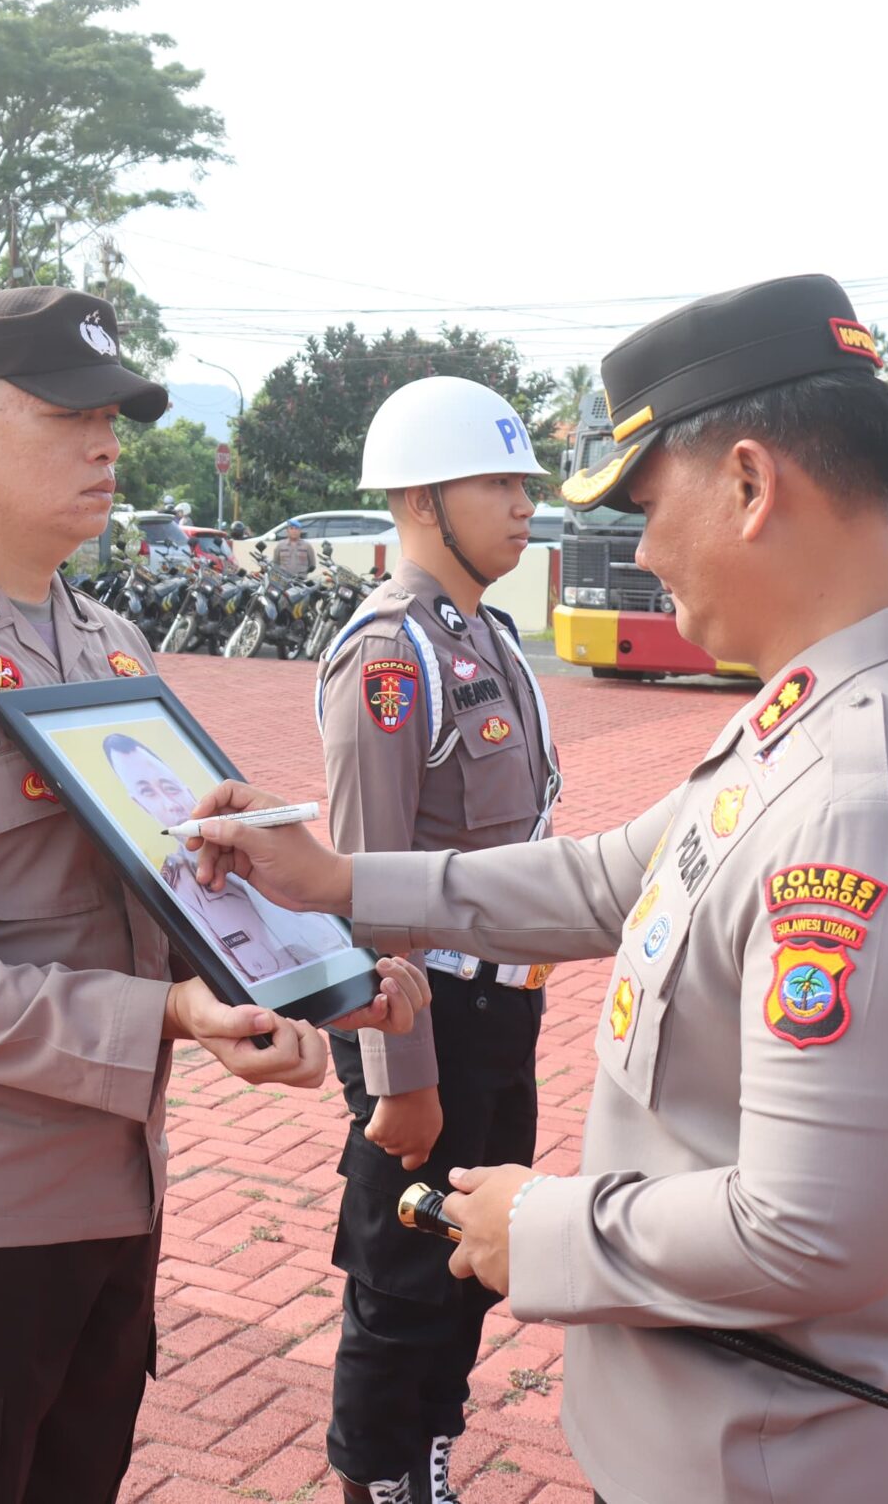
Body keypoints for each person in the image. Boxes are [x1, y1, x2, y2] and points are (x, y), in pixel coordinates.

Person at [187, 275, 888, 1504]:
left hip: (785, 1461)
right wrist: (338, 880)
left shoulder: (860, 794)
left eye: (645, 503)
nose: (633, 548)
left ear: (749, 485)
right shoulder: (821, 708)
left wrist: (539, 1229)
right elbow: (606, 877)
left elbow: (814, 1233)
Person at [0, 285, 428, 1504]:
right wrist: (169, 1021)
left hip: (112, 1193)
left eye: (114, 415)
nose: (105, 443)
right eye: (67, 412)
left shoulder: (106, 643)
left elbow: (176, 894)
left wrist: (318, 970)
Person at [309, 375, 561, 1504]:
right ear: (420, 498)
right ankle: (378, 1480)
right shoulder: (389, 655)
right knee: (399, 1275)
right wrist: (395, 1078)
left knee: (468, 1262)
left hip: (501, 1012)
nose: (523, 506)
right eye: (498, 481)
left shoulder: (486, 636)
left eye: (523, 483)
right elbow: (370, 883)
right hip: (427, 1017)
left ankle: (430, 1454)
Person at [100, 731, 340, 983]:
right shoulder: (180, 891)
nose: (170, 804)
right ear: (140, 805)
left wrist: (332, 879)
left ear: (186, 787)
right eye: (148, 793)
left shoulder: (271, 848)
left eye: (169, 787)